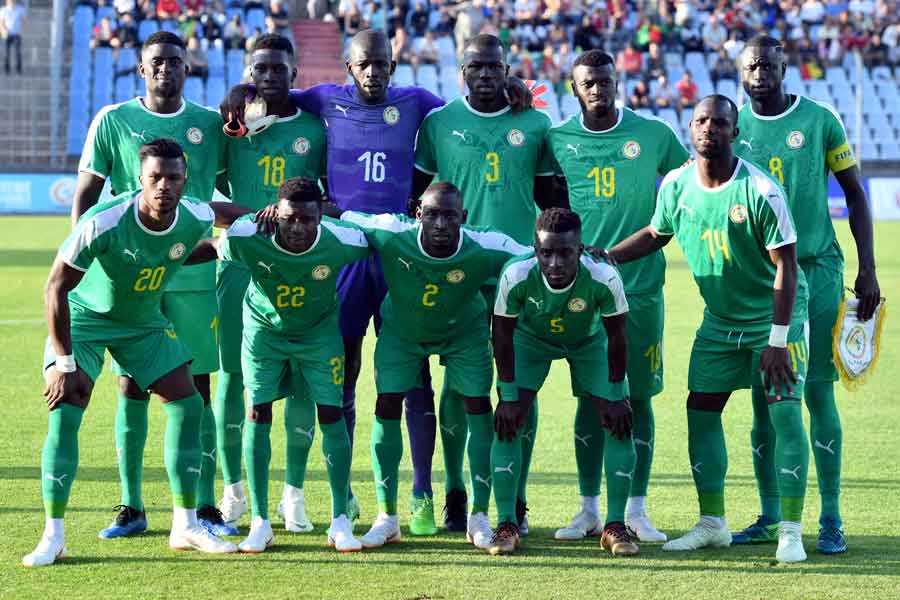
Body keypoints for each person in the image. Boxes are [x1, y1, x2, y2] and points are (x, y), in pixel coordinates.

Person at [221, 28, 534, 535]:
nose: (373, 72)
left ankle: (422, 495)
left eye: (381, 63)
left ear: (393, 64)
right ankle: (344, 493)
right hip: (344, 252)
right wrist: (241, 93)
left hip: (397, 253)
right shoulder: (323, 99)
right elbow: (272, 90)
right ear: (348, 67)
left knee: (412, 376)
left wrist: (512, 83)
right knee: (340, 369)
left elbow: (470, 101)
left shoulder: (416, 103)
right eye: (363, 64)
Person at [22, 139, 258, 567]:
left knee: (188, 403)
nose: (164, 186)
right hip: (86, 318)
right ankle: (52, 535)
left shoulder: (193, 215)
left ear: (186, 182)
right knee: (68, 406)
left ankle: (185, 524)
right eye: (155, 178)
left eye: (173, 178)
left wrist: (269, 217)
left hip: (143, 322)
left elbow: (225, 218)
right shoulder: (105, 220)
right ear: (139, 180)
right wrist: (63, 362)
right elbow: (55, 286)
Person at [610, 94, 812, 564]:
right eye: (701, 120)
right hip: (719, 324)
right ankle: (712, 523)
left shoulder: (761, 191)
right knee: (700, 411)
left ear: (734, 132)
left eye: (719, 122)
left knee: (784, 416)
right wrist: (605, 257)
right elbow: (656, 234)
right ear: (690, 128)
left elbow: (787, 266)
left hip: (772, 321)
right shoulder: (677, 184)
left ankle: (790, 530)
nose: (709, 129)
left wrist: (779, 340)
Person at [72, 31, 230, 540]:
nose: (166, 68)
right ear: (141, 69)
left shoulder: (209, 124)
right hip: (129, 279)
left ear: (190, 68)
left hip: (191, 270)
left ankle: (203, 507)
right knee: (131, 387)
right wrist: (91, 263)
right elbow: (85, 202)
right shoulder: (113, 120)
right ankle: (131, 505)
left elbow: (225, 193)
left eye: (175, 61)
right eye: (156, 61)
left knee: (197, 388)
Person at [733, 35, 880, 555]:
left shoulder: (819, 119)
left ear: (783, 66)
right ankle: (770, 514)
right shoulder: (733, 127)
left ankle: (832, 517)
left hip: (816, 271)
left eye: (769, 65)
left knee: (817, 392)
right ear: (740, 70)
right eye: (751, 66)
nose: (760, 73)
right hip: (759, 279)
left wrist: (869, 269)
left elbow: (856, 193)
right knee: (763, 401)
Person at [412, 33, 558, 536]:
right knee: (462, 384)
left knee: (522, 388)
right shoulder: (439, 123)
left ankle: (515, 498)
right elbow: (419, 197)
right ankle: (457, 491)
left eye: (495, 67)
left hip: (519, 272)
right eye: (476, 67)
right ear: (462, 73)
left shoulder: (536, 122)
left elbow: (553, 199)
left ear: (506, 70)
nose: (487, 74)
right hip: (460, 271)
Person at [544, 49, 690, 543]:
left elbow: (690, 182)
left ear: (617, 82)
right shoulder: (558, 138)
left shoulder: (654, 135)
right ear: (574, 87)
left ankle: (636, 508)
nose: (598, 89)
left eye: (606, 81)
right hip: (581, 292)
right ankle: (588, 508)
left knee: (639, 398)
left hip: (643, 288)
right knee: (590, 396)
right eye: (589, 83)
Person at [338, 182, 530, 551]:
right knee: (386, 407)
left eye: (450, 216)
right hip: (403, 333)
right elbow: (345, 216)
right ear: (417, 214)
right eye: (433, 214)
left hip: (465, 333)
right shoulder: (393, 232)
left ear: (464, 218)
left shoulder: (486, 244)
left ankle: (478, 516)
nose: (440, 223)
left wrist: (587, 255)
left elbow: (534, 255)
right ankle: (387, 518)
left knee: (478, 408)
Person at [198, 178, 370, 553]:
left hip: (319, 335)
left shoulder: (345, 239)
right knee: (258, 413)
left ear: (320, 216)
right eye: (289, 219)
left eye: (308, 220)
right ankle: (260, 521)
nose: (298, 228)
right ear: (276, 214)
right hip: (264, 334)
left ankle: (341, 521)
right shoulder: (248, 235)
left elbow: (384, 238)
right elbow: (213, 247)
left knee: (331, 415)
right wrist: (161, 257)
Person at [215, 33, 327, 531]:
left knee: (302, 378)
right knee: (233, 378)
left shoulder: (315, 132)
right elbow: (206, 199)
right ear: (249, 74)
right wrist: (255, 215)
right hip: (238, 267)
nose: (270, 78)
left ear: (294, 74)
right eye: (260, 70)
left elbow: (328, 199)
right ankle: (234, 490)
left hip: (299, 271)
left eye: (279, 70)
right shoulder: (232, 129)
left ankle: (294, 495)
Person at [489, 208, 636, 556]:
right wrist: (507, 395)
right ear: (534, 249)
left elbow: (617, 336)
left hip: (588, 342)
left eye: (565, 252)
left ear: (580, 249)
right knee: (508, 422)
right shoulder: (516, 274)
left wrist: (616, 394)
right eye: (546, 252)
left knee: (619, 422)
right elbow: (502, 335)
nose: (555, 262)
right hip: (530, 341)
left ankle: (615, 525)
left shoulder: (604, 276)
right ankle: (507, 522)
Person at [0, 0, 25, 74]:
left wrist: (22, 31)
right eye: (10, 1)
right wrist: (3, 31)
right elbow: (1, 23)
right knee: (6, 53)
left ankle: (19, 69)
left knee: (18, 53)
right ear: (7, 1)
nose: (12, 2)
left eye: (13, 1)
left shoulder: (20, 9)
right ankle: (7, 69)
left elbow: (23, 21)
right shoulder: (3, 10)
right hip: (7, 34)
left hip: (16, 34)